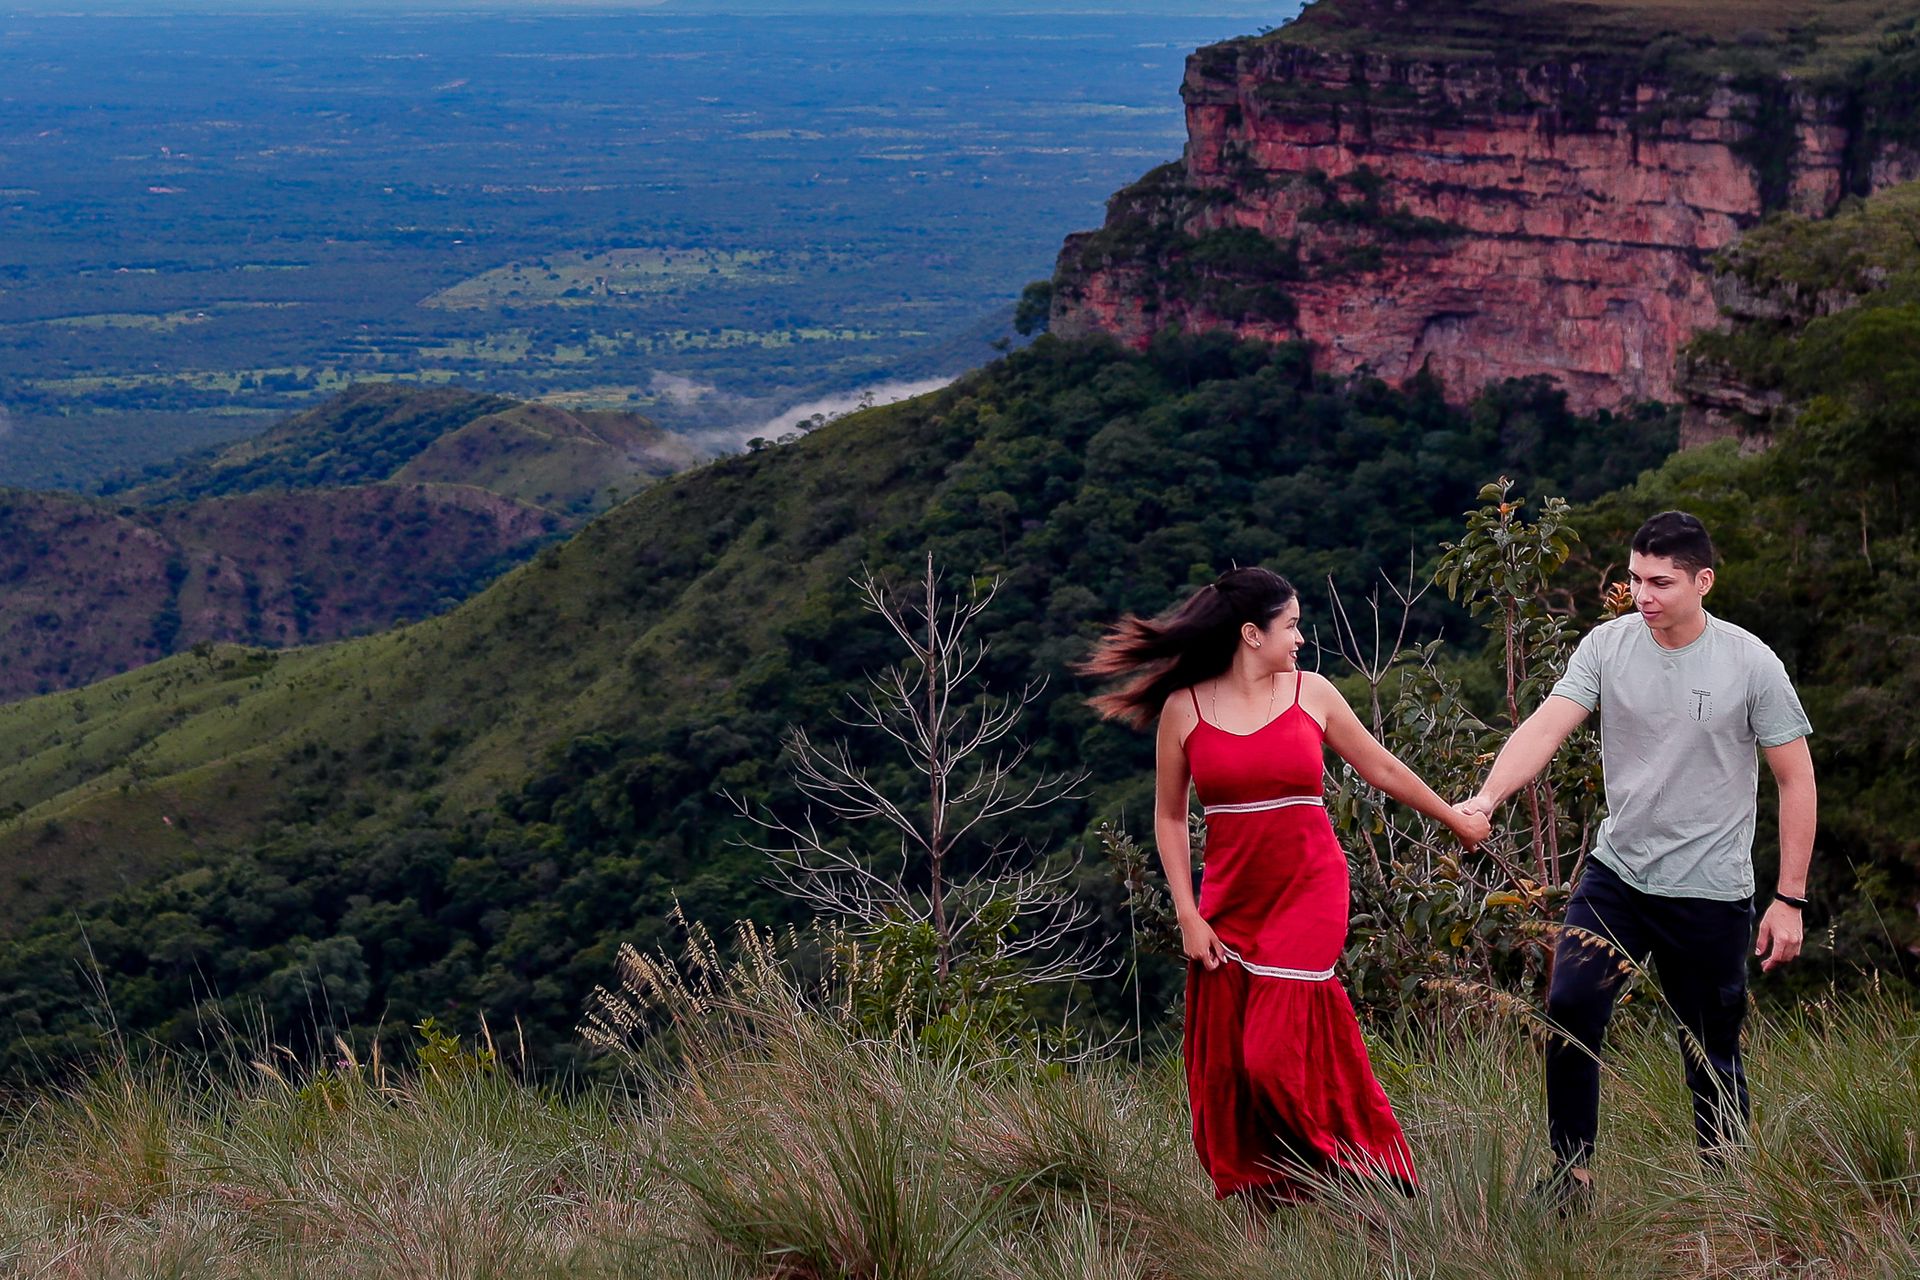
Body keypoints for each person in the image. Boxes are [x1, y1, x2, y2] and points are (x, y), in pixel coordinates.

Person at [1079, 567, 1490, 1202]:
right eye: (1291, 625)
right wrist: (1186, 912)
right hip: (1231, 902)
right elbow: (1168, 814)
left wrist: (1453, 817)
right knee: (1229, 1067)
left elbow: (1378, 765)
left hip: (1310, 889)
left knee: (1267, 1056)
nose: (1300, 638)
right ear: (1251, 633)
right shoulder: (1183, 710)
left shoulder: (1313, 693)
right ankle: (1273, 1190)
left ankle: (1359, 1169)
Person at [1456, 511, 1816, 1204]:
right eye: (1634, 578)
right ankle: (1570, 1177)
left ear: (1702, 581)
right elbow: (1547, 725)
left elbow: (1796, 779)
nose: (1642, 595)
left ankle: (1728, 1192)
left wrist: (1790, 897)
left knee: (1707, 1050)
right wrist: (1487, 797)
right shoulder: (1607, 645)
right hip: (1617, 874)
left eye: (1660, 582)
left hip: (1710, 891)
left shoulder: (1750, 663)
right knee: (1570, 1008)